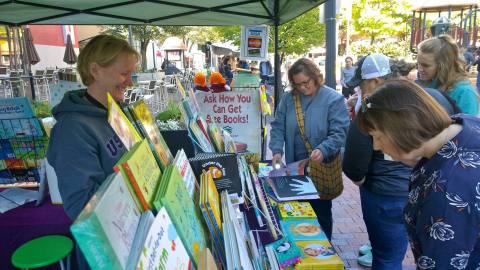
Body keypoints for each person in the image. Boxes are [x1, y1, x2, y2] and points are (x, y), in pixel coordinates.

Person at [343, 53, 458, 269]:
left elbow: (353, 166)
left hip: (385, 195)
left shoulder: (374, 106)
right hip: (420, 193)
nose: (377, 146)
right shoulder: (434, 99)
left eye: (379, 138)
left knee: (388, 257)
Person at [356, 79, 480, 270]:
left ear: (402, 128)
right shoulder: (465, 124)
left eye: (378, 137)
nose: (376, 146)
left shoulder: (445, 193)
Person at [47, 34, 139, 269]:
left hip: (134, 235)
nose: (130, 82)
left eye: (131, 74)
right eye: (123, 73)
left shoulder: (116, 112)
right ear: (95, 70)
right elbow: (81, 205)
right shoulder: (72, 129)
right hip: (109, 249)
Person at [269, 58, 349, 240]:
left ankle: (325, 249)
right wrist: (276, 150)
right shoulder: (289, 99)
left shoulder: (333, 99)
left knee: (321, 213)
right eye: (298, 85)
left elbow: (340, 132)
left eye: (306, 83)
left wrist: (324, 149)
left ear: (316, 77)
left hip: (321, 168)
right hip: (295, 168)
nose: (303, 88)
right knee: (297, 212)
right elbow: (278, 126)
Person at [416, 35, 479, 115]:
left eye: (426, 65)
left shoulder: (465, 93)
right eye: (418, 63)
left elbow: (469, 125)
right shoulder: (427, 83)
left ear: (443, 65)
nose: (420, 69)